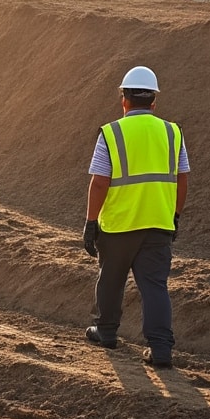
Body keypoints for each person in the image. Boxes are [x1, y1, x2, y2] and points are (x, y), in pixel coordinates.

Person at [82, 65, 189, 369]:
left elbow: (99, 182)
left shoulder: (111, 133)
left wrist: (91, 222)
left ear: (124, 100)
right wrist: (175, 215)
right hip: (158, 224)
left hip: (119, 225)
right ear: (154, 101)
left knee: (111, 279)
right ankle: (161, 348)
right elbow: (182, 178)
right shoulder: (172, 132)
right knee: (154, 286)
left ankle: (106, 331)